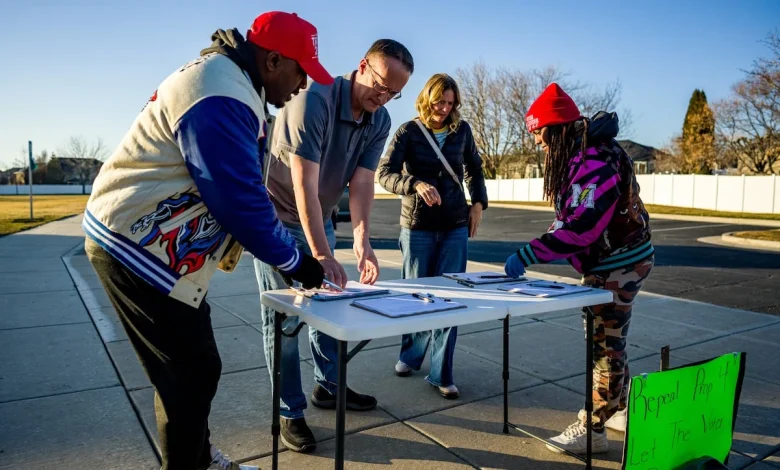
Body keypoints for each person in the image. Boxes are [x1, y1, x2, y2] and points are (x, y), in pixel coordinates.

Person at [83, 12, 331, 470]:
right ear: (273, 60)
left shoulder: (231, 82)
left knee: (191, 370)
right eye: (301, 72)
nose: (302, 86)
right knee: (189, 372)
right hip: (134, 246)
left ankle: (197, 459)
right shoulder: (221, 91)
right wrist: (299, 261)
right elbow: (239, 201)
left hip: (153, 248)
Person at [256, 39, 414, 453]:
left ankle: (328, 387)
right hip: (274, 217)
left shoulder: (378, 120)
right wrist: (322, 254)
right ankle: (289, 411)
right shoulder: (315, 99)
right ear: (362, 66)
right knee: (287, 318)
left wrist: (362, 240)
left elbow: (362, 182)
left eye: (394, 93)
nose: (383, 98)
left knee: (331, 303)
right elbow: (303, 182)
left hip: (318, 216)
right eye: (380, 86)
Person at [503, 83, 654, 455]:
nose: (536, 140)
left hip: (619, 263)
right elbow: (569, 216)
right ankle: (618, 409)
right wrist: (549, 238)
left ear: (556, 127)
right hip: (616, 260)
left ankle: (593, 428)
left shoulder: (594, 160)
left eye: (538, 131)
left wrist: (529, 252)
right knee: (608, 338)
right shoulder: (582, 154)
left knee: (604, 345)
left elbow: (583, 225)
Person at [377, 73, 488, 399]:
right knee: (417, 297)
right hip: (417, 226)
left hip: (455, 224)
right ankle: (410, 355)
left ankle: (441, 372)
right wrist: (414, 184)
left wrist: (478, 203)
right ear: (428, 98)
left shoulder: (462, 130)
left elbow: (475, 169)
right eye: (440, 101)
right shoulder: (409, 131)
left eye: (450, 103)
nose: (444, 108)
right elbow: (385, 173)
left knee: (449, 298)